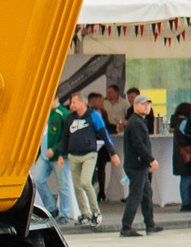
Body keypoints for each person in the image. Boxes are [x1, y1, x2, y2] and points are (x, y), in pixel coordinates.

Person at [63, 93, 108, 229]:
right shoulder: (70, 118)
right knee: (77, 186)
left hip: (89, 154)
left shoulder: (93, 115)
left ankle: (96, 212)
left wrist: (112, 152)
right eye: (71, 103)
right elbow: (65, 136)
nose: (72, 105)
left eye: (74, 102)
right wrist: (61, 154)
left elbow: (104, 133)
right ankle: (85, 213)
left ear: (83, 102)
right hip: (74, 155)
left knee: (85, 182)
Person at [118, 91, 160, 236]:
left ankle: (150, 224)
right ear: (135, 106)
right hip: (136, 165)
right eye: (143, 104)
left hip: (138, 164)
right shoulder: (135, 123)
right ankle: (126, 226)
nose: (147, 107)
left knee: (146, 194)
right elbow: (138, 144)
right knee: (136, 195)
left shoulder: (139, 121)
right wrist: (151, 159)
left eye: (148, 104)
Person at [39, 93, 78, 222]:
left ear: (56, 99)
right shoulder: (44, 112)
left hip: (58, 155)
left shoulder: (63, 113)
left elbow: (67, 135)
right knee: (37, 180)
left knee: (63, 184)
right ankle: (51, 207)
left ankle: (64, 213)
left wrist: (56, 149)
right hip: (44, 153)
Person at [171, 101, 191, 211]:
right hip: (186, 154)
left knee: (185, 178)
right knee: (187, 179)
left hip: (179, 154)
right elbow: (187, 135)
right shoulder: (185, 122)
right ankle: (187, 202)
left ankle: (187, 201)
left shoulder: (176, 121)